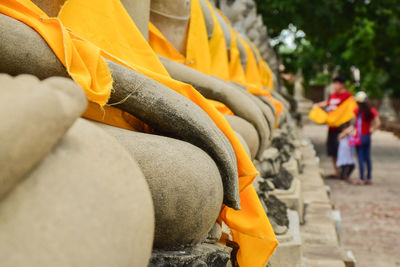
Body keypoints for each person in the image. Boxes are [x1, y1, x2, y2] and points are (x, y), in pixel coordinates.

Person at [314, 76, 353, 178]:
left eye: (337, 83)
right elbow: (327, 103)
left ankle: (345, 172)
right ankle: (337, 172)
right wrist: (317, 105)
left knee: (343, 151)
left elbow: (351, 110)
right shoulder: (333, 96)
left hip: (342, 128)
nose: (335, 86)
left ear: (342, 84)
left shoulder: (347, 96)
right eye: (334, 83)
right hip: (332, 128)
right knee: (333, 151)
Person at [351, 91, 381, 185]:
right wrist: (372, 130)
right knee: (367, 157)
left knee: (360, 157)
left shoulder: (356, 111)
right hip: (367, 135)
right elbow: (378, 123)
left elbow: (352, 123)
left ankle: (361, 178)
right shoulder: (371, 110)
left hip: (359, 137)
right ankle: (369, 178)